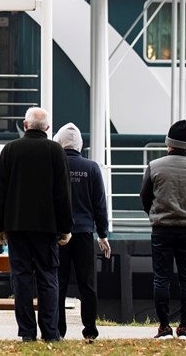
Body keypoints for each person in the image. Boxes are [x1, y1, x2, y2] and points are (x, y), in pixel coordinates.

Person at [0, 107, 72, 342]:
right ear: (47, 128)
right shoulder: (56, 151)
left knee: (22, 278)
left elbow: (0, 192)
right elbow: (63, 193)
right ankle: (50, 332)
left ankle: (27, 332)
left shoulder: (10, 150)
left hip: (16, 226)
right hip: (47, 228)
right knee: (48, 278)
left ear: (25, 125)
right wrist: (65, 227)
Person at [140, 120, 186, 340]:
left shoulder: (155, 166)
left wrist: (156, 213)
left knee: (162, 278)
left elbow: (145, 197)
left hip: (161, 229)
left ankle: (164, 328)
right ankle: (185, 328)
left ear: (169, 142)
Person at [52, 123, 110, 340]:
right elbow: (99, 205)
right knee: (87, 284)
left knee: (58, 282)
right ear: (79, 145)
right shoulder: (92, 168)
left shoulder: (54, 165)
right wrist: (103, 234)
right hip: (85, 232)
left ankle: (58, 330)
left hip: (59, 234)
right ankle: (90, 331)